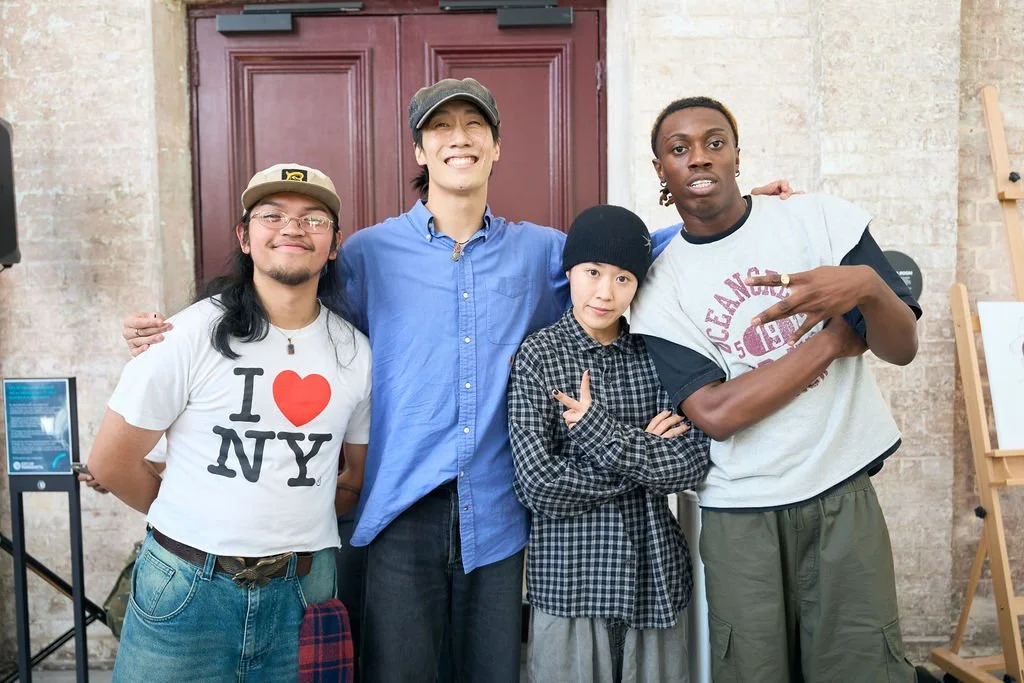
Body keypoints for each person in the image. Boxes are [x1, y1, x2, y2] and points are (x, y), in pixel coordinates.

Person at [120, 79, 794, 682]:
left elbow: (619, 260)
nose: (459, 138)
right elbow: (283, 303)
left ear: (496, 147)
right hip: (398, 509)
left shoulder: (540, 251)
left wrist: (725, 221)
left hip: (496, 510)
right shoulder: (368, 253)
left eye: (475, 126)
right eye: (441, 127)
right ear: (420, 149)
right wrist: (176, 331)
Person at [631, 96, 922, 683]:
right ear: (661, 170)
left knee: (863, 667)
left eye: (715, 142)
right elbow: (716, 413)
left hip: (841, 491)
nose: (699, 157)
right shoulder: (660, 286)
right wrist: (833, 340)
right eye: (679, 149)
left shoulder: (816, 219)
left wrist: (868, 285)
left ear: (738, 154)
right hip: (741, 516)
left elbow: (901, 347)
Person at [90, 163, 371, 681]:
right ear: (244, 237)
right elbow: (110, 462)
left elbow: (353, 477)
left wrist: (280, 520)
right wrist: (195, 522)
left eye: (314, 218)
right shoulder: (186, 335)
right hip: (185, 588)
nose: (293, 228)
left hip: (303, 591)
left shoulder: (355, 353)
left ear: (334, 244)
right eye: (272, 215)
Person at [508, 204, 711, 683]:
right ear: (570, 272)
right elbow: (538, 485)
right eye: (593, 272)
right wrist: (643, 453)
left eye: (623, 278)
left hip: (653, 578)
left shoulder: (655, 351)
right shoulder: (539, 355)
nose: (605, 292)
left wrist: (597, 431)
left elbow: (692, 461)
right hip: (570, 581)